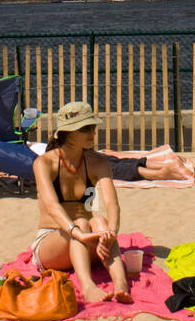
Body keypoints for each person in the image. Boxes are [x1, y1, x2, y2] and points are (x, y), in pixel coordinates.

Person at [30, 102, 132, 304]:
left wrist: (111, 232)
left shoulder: (97, 162)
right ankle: (87, 286)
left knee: (101, 222)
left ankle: (121, 284)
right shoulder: (44, 163)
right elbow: (52, 206)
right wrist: (78, 233)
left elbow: (112, 203)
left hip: (88, 243)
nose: (93, 132)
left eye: (93, 127)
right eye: (85, 128)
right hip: (53, 242)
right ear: (68, 132)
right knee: (82, 223)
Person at [100, 150, 195, 183]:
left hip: (87, 157)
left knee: (116, 168)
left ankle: (160, 173)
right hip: (92, 154)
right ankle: (168, 165)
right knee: (122, 162)